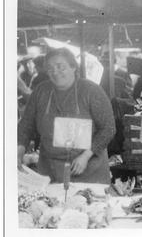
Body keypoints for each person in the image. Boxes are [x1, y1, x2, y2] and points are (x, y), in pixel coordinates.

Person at [18, 48, 116, 184]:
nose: (55, 72)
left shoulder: (91, 91)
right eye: (50, 68)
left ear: (73, 67)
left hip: (89, 170)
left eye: (60, 67)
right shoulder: (40, 91)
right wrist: (19, 150)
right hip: (51, 171)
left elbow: (108, 128)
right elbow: (26, 125)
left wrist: (86, 156)